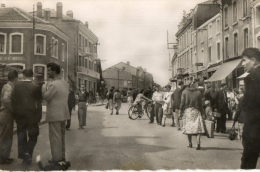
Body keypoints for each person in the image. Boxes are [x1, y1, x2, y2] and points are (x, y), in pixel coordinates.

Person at [11, 69, 42, 165]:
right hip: (32, 115)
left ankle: (24, 155)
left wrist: (15, 114)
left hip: (20, 115)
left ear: (23, 75)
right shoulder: (36, 86)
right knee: (33, 136)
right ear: (32, 76)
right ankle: (28, 152)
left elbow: (13, 101)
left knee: (21, 135)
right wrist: (39, 116)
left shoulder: (16, 86)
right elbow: (39, 103)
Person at [42, 63, 70, 166]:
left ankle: (56, 159)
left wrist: (44, 86)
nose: (48, 72)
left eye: (49, 70)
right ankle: (61, 157)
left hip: (54, 114)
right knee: (61, 137)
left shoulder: (53, 85)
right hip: (63, 113)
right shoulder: (65, 83)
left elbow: (46, 97)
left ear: (54, 71)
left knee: (55, 138)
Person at [240, 48, 260, 169]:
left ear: (253, 60)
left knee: (248, 163)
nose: (242, 64)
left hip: (254, 129)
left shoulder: (251, 77)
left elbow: (252, 104)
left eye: (244, 60)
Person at [180, 79, 205, 150]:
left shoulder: (184, 92)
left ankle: (190, 143)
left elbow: (182, 103)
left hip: (188, 111)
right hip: (196, 111)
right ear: (194, 85)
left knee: (189, 128)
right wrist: (203, 113)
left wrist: (180, 112)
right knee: (198, 128)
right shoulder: (198, 92)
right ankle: (198, 144)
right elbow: (201, 104)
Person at [0, 70, 18, 164]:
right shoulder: (9, 87)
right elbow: (6, 100)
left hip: (6, 114)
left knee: (7, 135)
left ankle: (5, 156)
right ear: (15, 78)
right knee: (5, 136)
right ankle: (3, 158)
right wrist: (13, 110)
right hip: (6, 114)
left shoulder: (7, 86)